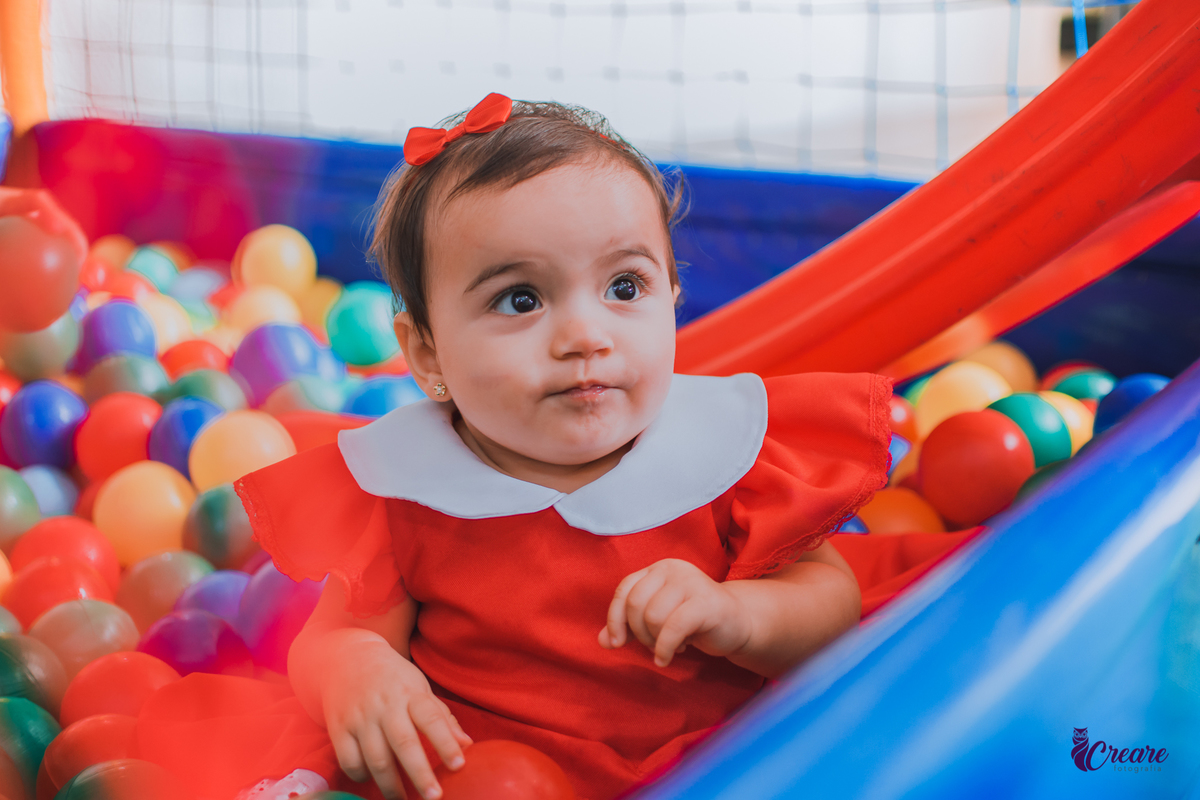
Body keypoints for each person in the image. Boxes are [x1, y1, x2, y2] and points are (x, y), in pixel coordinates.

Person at [224, 93, 893, 800]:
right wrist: (357, 671)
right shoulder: (409, 487)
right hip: (478, 777)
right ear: (428, 354)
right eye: (521, 299)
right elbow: (331, 638)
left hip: (709, 767)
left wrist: (740, 616)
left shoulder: (722, 456)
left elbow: (830, 603)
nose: (584, 336)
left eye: (624, 287)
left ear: (672, 297)